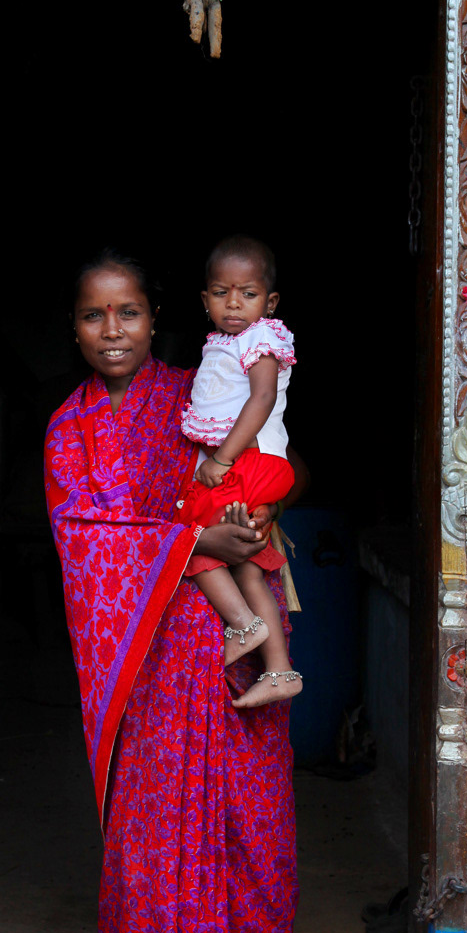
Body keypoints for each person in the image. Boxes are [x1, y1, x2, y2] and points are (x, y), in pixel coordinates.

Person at [44, 249, 299, 933]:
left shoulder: (201, 394)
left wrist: (260, 513)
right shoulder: (68, 429)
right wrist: (193, 540)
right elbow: (83, 541)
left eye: (128, 312)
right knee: (155, 810)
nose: (112, 330)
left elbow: (285, 460)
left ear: (156, 319)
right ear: (73, 328)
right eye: (93, 315)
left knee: (244, 803)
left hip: (230, 643)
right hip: (144, 658)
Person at [178, 236, 302, 708]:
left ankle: (243, 625)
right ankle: (279, 670)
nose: (233, 303)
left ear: (269, 302)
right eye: (220, 292)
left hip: (252, 462)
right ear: (204, 299)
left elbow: (263, 398)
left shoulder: (262, 339)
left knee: (187, 533)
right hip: (250, 466)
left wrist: (222, 459)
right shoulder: (224, 343)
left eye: (247, 294)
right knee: (249, 567)